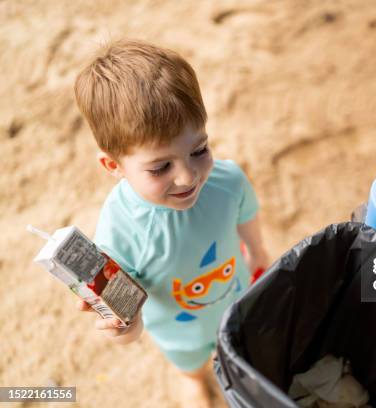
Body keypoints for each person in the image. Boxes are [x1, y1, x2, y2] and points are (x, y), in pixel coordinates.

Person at [73, 39, 269, 408]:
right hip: (179, 331)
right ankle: (190, 377)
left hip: (237, 294)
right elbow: (128, 328)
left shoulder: (226, 181)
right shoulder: (120, 231)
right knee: (191, 359)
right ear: (113, 166)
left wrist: (259, 253)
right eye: (161, 167)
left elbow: (246, 214)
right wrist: (124, 326)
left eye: (199, 150)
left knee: (242, 339)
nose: (188, 176)